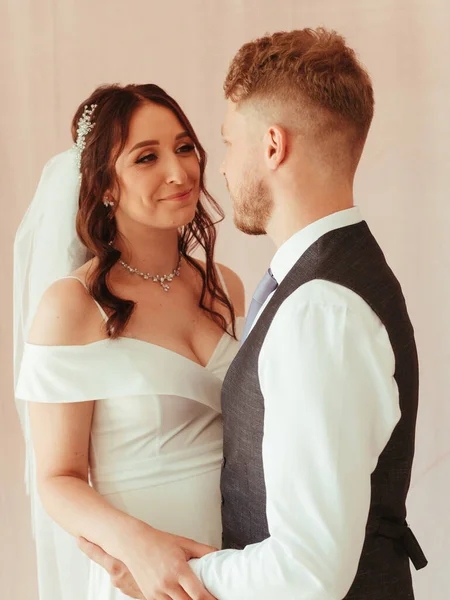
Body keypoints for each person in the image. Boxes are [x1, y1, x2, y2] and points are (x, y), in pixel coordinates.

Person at [82, 28, 428, 600]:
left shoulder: (318, 309)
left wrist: (165, 579)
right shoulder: (324, 280)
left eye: (227, 143)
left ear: (272, 146)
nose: (215, 170)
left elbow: (308, 571)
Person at [14, 83, 245, 600]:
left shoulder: (226, 286)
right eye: (147, 157)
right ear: (106, 186)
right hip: (145, 576)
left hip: (239, 563)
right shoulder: (73, 307)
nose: (179, 172)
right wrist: (140, 548)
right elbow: (58, 477)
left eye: (185, 147)